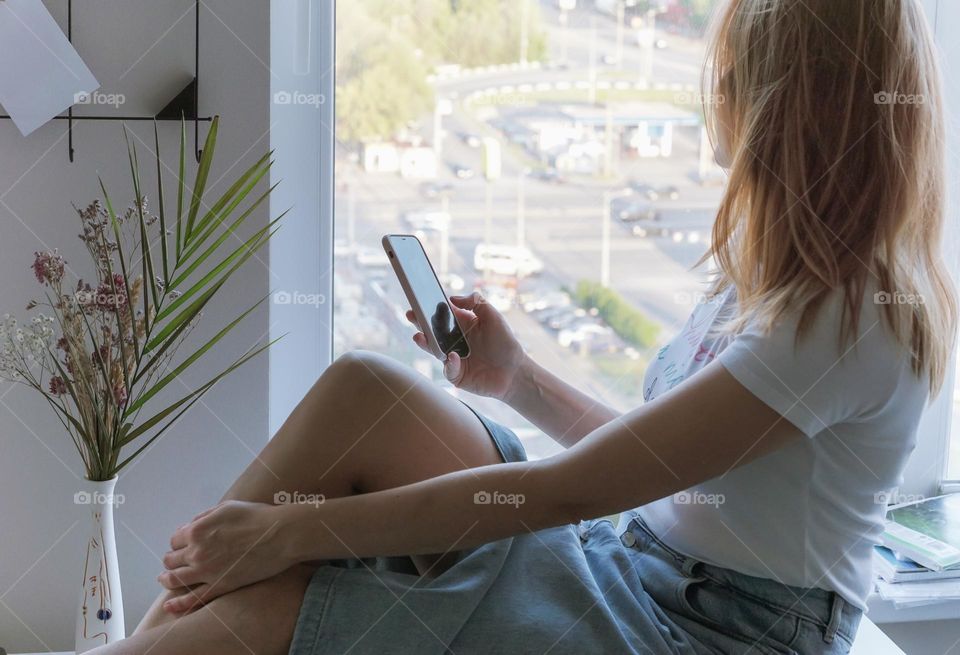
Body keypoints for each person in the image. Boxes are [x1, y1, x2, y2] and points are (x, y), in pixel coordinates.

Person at [89, 0, 957, 653]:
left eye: (731, 77)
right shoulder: (781, 277)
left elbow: (570, 491)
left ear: (789, 108)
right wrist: (520, 380)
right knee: (364, 388)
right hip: (631, 559)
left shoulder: (844, 315)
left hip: (700, 632)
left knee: (281, 600)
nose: (715, 96)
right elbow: (670, 470)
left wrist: (289, 532)